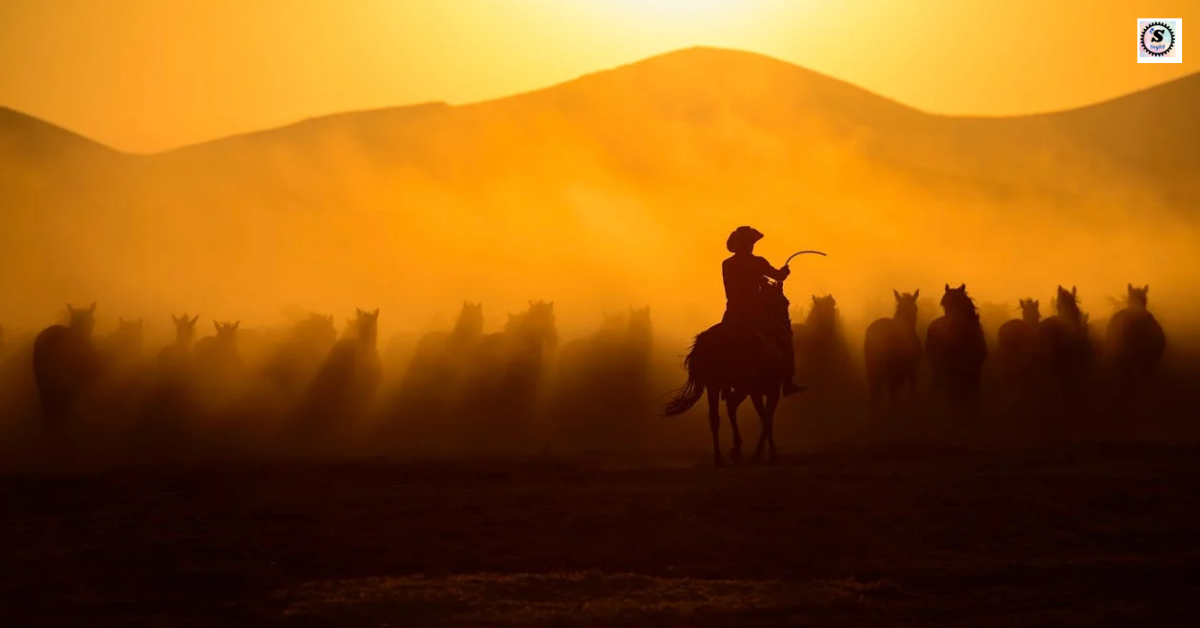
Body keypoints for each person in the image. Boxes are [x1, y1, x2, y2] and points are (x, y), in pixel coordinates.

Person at [722, 226, 805, 396]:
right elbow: (778, 276)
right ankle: (788, 382)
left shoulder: (727, 264)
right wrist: (785, 272)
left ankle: (724, 384)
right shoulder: (758, 262)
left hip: (733, 312)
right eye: (750, 243)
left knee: (723, 342)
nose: (751, 246)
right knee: (784, 338)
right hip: (757, 312)